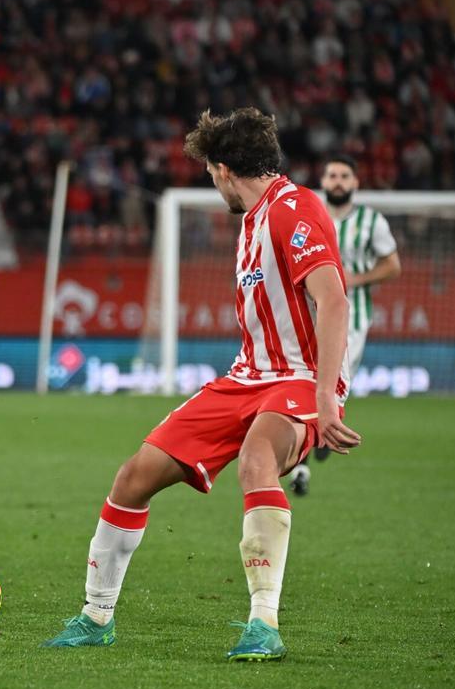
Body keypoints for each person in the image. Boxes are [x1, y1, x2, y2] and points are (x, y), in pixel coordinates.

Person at [44, 108, 361, 660]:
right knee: (133, 476)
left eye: (209, 174)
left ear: (222, 168)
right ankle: (96, 616)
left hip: (300, 380)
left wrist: (326, 399)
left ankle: (264, 624)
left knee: (256, 460)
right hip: (245, 379)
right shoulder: (251, 222)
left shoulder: (294, 209)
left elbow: (333, 300)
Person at [286, 154, 400, 495]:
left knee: (332, 386)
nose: (337, 181)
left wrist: (358, 278)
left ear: (355, 183)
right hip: (307, 316)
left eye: (344, 176)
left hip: (353, 320)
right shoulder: (305, 215)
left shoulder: (371, 221)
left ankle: (321, 434)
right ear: (323, 181)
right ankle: (302, 465)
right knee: (308, 383)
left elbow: (392, 265)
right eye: (332, 175)